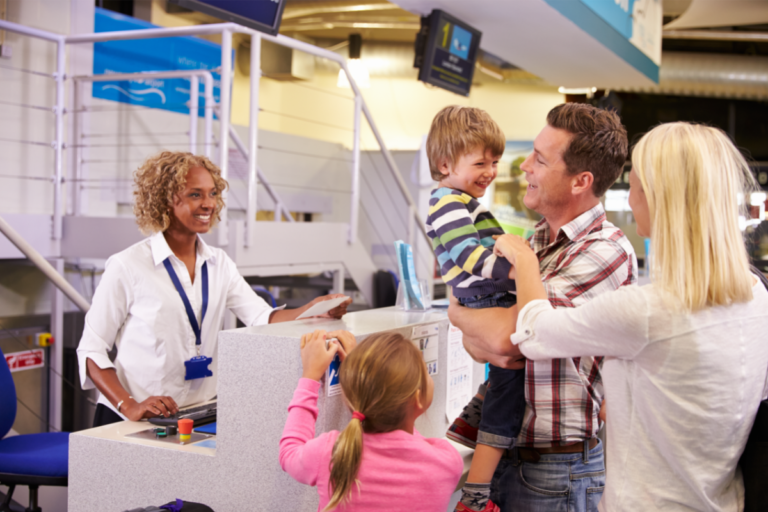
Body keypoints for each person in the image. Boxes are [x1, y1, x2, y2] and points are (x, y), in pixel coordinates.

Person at [496, 122, 768, 511]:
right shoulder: (758, 298)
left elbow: (535, 333)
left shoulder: (646, 310)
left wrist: (523, 259)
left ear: (656, 196)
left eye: (634, 182)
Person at [448, 103, 637, 512]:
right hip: (508, 454)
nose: (523, 168)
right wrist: (466, 319)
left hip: (557, 470)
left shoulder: (605, 251)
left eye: (540, 159)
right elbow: (479, 337)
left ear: (580, 181)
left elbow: (509, 338)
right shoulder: (533, 240)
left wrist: (466, 318)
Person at [77, 152, 351, 427]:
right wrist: (130, 405)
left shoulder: (219, 263)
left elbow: (261, 317)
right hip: (133, 418)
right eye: (196, 194)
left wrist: (314, 310)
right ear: (166, 200)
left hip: (196, 413)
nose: (208, 204)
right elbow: (91, 349)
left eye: (213, 193)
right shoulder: (128, 265)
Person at [424, 105, 522, 512]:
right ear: (445, 163)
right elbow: (466, 252)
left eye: (495, 162)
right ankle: (476, 493)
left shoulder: (462, 199)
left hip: (488, 294)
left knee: (506, 379)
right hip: (486, 295)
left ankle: (473, 416)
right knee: (511, 385)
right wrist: (512, 270)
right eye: (480, 162)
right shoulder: (448, 201)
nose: (490, 171)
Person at [279, 329, 463, 511]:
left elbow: (289, 452)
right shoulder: (446, 461)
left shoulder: (330, 452)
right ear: (417, 399)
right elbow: (410, 442)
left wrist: (309, 377)